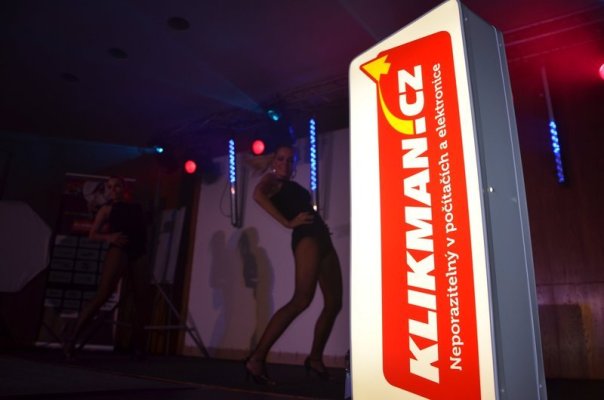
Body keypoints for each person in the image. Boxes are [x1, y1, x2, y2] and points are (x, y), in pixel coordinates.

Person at [244, 145, 343, 384]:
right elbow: (257, 195)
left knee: (334, 303)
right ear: (274, 161)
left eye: (290, 160)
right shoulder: (271, 180)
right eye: (280, 159)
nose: (285, 164)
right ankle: (256, 359)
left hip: (321, 237)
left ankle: (315, 359)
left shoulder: (290, 184)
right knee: (301, 300)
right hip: (307, 238)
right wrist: (287, 222)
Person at [63, 176, 150, 359]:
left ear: (123, 188)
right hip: (119, 249)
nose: (113, 190)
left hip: (138, 251)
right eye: (109, 187)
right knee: (103, 294)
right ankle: (72, 337)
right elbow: (92, 234)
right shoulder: (106, 209)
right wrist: (109, 237)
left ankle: (138, 345)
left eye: (116, 186)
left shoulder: (136, 207)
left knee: (141, 298)